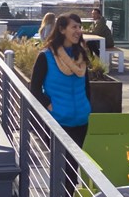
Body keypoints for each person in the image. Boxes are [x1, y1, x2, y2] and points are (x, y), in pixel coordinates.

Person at [30, 12, 92, 146]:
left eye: (79, 27)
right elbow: (35, 88)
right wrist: (50, 106)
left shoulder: (81, 56)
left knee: (74, 164)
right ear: (62, 29)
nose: (78, 31)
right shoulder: (46, 57)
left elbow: (86, 86)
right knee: (61, 165)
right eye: (74, 27)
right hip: (58, 121)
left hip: (81, 121)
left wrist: (87, 106)